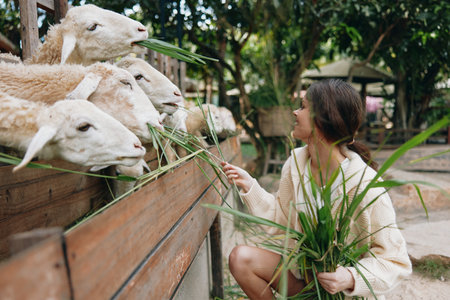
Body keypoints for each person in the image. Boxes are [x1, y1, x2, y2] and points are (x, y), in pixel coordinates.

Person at [221, 79, 411, 299]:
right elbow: (282, 219)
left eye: (302, 107)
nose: (295, 112)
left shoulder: (365, 185)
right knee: (241, 258)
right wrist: (250, 186)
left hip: (345, 294)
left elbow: (396, 261)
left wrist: (350, 277)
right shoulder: (295, 166)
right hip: (307, 284)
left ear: (323, 118)